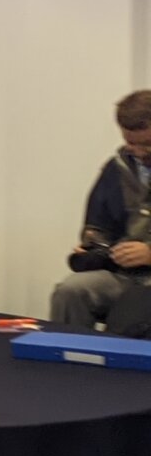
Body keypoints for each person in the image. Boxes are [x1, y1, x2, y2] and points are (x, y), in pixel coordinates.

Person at [52, 89, 151, 328]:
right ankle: (69, 359)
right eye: (131, 144)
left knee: (133, 311)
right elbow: (97, 226)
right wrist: (95, 248)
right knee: (70, 291)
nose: (138, 152)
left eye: (147, 144)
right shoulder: (115, 170)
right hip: (123, 275)